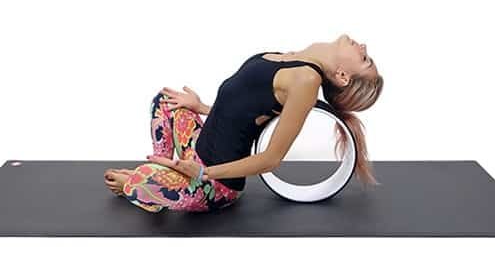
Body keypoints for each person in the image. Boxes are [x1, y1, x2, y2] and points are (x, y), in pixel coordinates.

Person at [104, 33, 383, 213]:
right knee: (165, 101)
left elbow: (272, 159)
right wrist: (200, 107)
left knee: (140, 180)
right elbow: (243, 108)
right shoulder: (292, 58)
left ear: (343, 76)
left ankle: (152, 183)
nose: (363, 46)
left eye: (365, 58)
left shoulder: (306, 81)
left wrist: (204, 173)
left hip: (214, 186)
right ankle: (162, 169)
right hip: (196, 153)